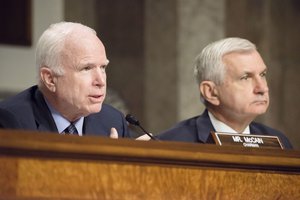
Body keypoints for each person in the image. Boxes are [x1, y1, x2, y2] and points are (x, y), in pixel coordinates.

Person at [157, 37, 293, 149]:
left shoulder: (280, 142)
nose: (263, 88)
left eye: (262, 74)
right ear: (211, 92)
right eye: (245, 77)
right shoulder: (171, 144)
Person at [0, 22, 129, 138]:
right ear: (50, 79)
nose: (100, 81)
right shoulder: (10, 122)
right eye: (86, 68)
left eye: (103, 67)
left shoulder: (114, 121)